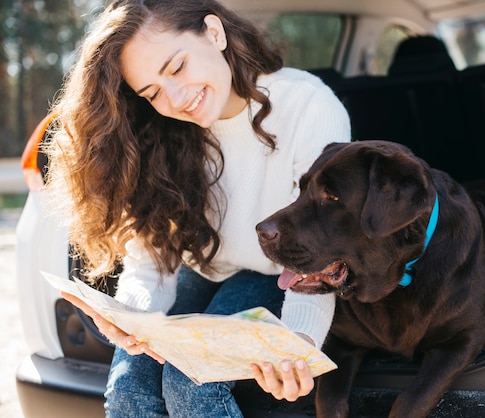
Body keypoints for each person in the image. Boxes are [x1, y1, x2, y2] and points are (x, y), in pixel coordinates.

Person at [44, 0, 351, 416]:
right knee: (126, 390)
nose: (174, 98)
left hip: (278, 273)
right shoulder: (158, 130)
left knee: (190, 384)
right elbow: (152, 259)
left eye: (177, 67)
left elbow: (321, 248)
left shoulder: (309, 107)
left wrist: (300, 341)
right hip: (204, 265)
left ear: (214, 33)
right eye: (151, 92)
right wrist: (129, 318)